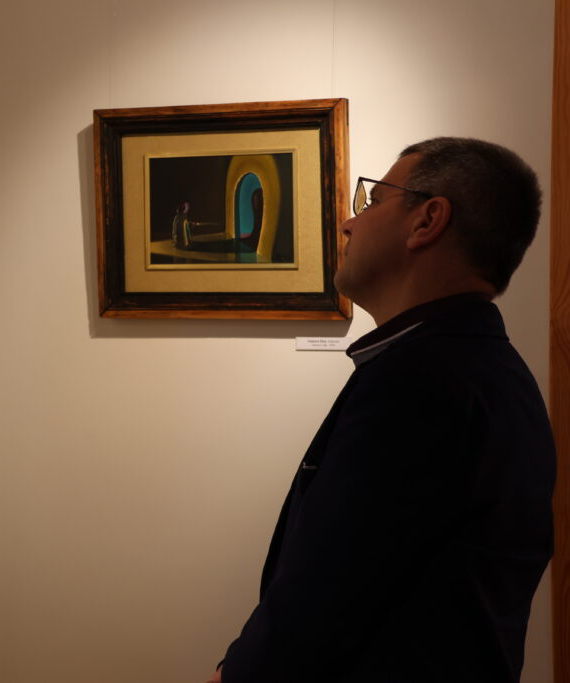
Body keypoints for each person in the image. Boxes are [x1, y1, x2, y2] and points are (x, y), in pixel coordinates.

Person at [206, 138, 556, 683]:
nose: (350, 223)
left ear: (427, 221)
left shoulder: (423, 382)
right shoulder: (482, 369)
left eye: (371, 201)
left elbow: (327, 593)